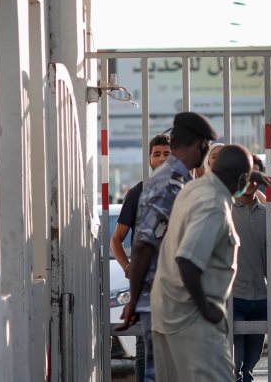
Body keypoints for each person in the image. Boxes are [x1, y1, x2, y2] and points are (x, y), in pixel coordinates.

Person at [115, 112, 218, 382]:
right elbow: (143, 244)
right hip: (163, 299)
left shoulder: (181, 181)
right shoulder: (168, 183)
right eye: (205, 145)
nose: (206, 152)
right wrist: (135, 298)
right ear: (196, 144)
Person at [150, 145, 255, 381]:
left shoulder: (195, 188)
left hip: (168, 315)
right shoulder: (214, 206)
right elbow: (187, 261)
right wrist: (207, 309)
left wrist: (248, 174)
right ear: (241, 179)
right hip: (194, 322)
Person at [110, 133, 170, 382]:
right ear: (150, 159)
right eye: (157, 154)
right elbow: (116, 239)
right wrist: (127, 267)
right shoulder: (138, 193)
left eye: (167, 153)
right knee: (146, 346)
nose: (162, 158)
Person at [232, 154, 271, 381]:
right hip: (234, 298)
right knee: (235, 361)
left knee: (250, 363)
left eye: (256, 175)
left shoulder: (266, 214)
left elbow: (269, 256)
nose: (252, 181)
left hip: (260, 299)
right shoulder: (225, 209)